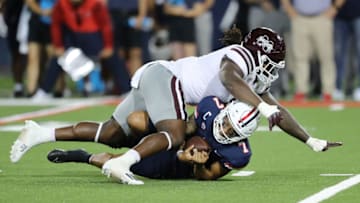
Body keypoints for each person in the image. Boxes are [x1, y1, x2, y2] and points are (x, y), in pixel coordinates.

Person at [11, 26, 342, 185]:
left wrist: (309, 140)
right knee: (172, 134)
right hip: (166, 78)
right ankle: (122, 163)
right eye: (273, 61)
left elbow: (278, 111)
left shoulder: (253, 78)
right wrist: (264, 109)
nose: (274, 68)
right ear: (261, 54)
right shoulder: (240, 58)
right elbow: (230, 79)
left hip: (156, 79)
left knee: (111, 131)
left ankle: (39, 134)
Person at [46, 96, 260, 181]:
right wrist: (177, 140)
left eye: (232, 132)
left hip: (178, 165)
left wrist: (193, 163)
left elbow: (207, 176)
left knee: (114, 161)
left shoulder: (239, 154)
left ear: (242, 136)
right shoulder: (211, 107)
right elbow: (187, 127)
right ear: (225, 111)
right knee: (135, 120)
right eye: (226, 122)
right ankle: (122, 138)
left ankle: (83, 157)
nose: (225, 130)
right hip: (175, 138)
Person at [31, 0, 131, 99]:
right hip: (73, 37)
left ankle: (127, 90)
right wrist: (58, 45)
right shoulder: (61, 4)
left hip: (93, 37)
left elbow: (105, 25)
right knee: (58, 58)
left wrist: (108, 45)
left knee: (113, 57)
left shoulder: (95, 4)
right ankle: (44, 91)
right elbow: (56, 25)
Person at [281, 0, 346, 101]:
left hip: (322, 17)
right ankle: (301, 90)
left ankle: (328, 91)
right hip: (299, 17)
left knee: (326, 56)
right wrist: (288, 8)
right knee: (300, 56)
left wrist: (335, 8)